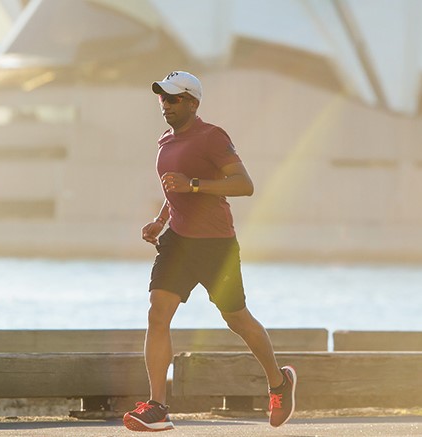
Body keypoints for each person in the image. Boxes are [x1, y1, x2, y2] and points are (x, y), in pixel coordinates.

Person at [123, 71, 297, 432]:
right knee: (158, 313)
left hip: (216, 245)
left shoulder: (213, 137)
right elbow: (175, 191)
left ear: (192, 102)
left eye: (172, 99)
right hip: (178, 242)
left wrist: (196, 185)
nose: (165, 105)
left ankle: (279, 383)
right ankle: (158, 406)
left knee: (237, 319)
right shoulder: (165, 141)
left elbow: (244, 185)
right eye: (162, 99)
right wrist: (159, 220)